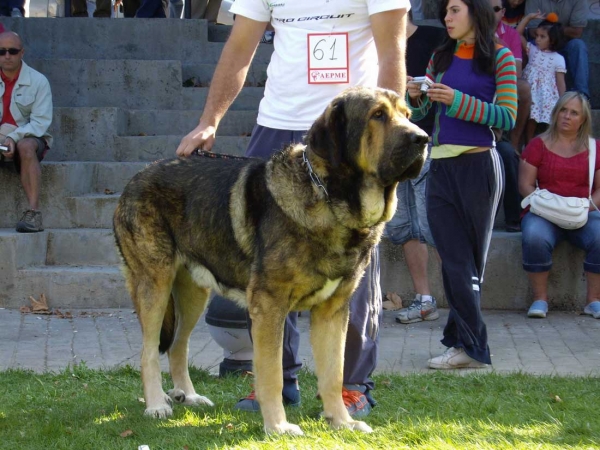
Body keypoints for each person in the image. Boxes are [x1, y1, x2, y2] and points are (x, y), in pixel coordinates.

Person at [176, 0, 410, 416]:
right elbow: (239, 47)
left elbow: (392, 51)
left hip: (349, 133)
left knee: (352, 263)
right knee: (268, 270)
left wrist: (389, 135)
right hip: (278, 126)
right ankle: (275, 383)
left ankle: (351, 386)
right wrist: (209, 120)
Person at [407, 0, 517, 369]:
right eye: (446, 12)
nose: (447, 18)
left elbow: (507, 118)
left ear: (476, 11)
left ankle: (467, 346)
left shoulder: (499, 57)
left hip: (479, 166)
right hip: (439, 166)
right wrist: (416, 97)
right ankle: (467, 346)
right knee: (454, 260)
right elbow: (423, 115)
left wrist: (457, 101)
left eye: (454, 10)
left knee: (468, 266)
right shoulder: (440, 55)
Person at [386, 9, 446, 324]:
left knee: (432, 224)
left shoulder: (435, 39)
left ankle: (463, 300)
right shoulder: (377, 42)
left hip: (430, 142)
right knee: (404, 226)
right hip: (390, 149)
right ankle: (424, 299)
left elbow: (449, 87)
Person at [519, 91, 600, 320]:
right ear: (555, 114)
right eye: (563, 110)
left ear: (583, 119)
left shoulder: (595, 148)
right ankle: (540, 299)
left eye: (574, 113)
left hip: (583, 212)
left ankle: (593, 301)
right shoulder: (538, 144)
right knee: (534, 235)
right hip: (543, 212)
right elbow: (525, 185)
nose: (567, 116)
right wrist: (548, 208)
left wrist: (586, 209)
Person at [0, 32, 53, 233]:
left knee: (27, 147)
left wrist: (12, 137)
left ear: (22, 52)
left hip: (27, 137)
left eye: (12, 51)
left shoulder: (39, 81)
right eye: (1, 51)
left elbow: (40, 124)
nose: (7, 56)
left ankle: (34, 213)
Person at [492, 0, 527, 231]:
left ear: (503, 12)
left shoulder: (507, 38)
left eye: (495, 9)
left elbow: (514, 74)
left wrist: (497, 44)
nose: (490, 13)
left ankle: (515, 219)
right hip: (465, 128)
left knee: (506, 153)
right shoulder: (462, 37)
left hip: (495, 126)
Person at [524, 0, 589, 100]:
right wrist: (550, 35)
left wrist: (552, 31)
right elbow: (533, 31)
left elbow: (577, 32)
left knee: (578, 46)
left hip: (566, 45)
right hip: (542, 46)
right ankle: (525, 93)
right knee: (532, 43)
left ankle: (582, 97)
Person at [517, 15, 566, 144]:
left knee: (534, 119)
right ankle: (525, 143)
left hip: (543, 97)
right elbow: (517, 34)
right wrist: (528, 18)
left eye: (542, 37)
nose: (537, 39)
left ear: (553, 40)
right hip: (529, 92)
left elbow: (560, 82)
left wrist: (564, 101)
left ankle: (531, 143)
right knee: (526, 117)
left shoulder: (558, 59)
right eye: (537, 35)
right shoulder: (533, 50)